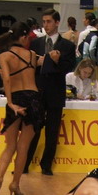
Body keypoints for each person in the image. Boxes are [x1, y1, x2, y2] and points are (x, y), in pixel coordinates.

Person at [0, 21, 42, 195]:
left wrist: (10, 103)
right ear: (24, 37)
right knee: (23, 147)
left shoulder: (5, 56)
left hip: (16, 97)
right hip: (33, 98)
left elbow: (7, 80)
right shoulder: (32, 55)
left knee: (10, 145)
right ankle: (15, 184)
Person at [24, 9, 75, 176]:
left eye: (49, 22)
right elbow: (29, 66)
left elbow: (68, 67)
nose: (46, 25)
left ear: (57, 22)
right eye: (44, 22)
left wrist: (53, 61)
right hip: (37, 91)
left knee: (52, 132)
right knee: (33, 130)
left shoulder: (67, 45)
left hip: (55, 92)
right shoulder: (35, 43)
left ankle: (46, 165)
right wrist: (42, 62)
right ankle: (24, 164)